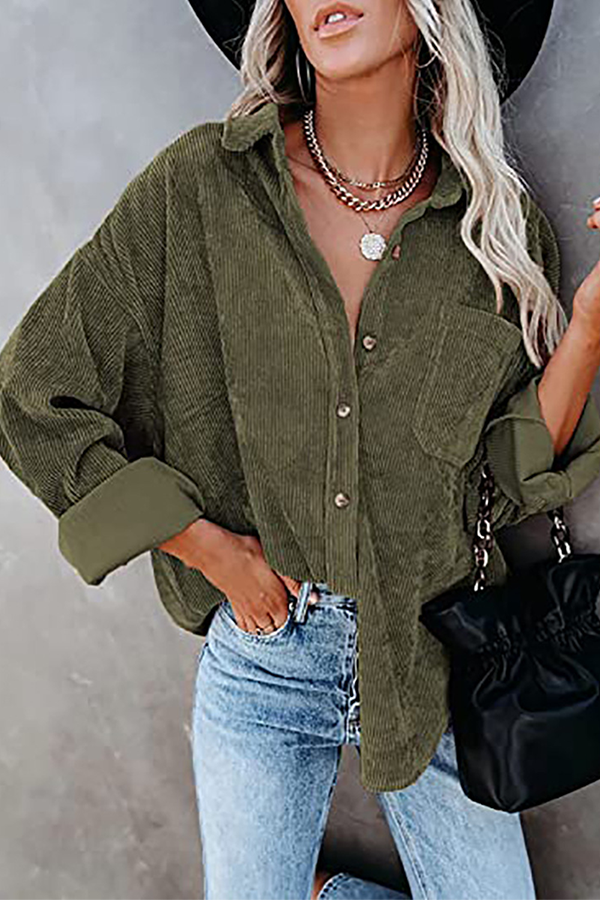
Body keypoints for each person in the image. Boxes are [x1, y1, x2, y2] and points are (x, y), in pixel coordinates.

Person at [2, 0, 600, 896]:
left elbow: (501, 484)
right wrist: (209, 550)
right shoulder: (206, 188)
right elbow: (32, 392)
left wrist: (588, 328)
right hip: (266, 662)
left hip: (431, 664)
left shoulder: (495, 226)